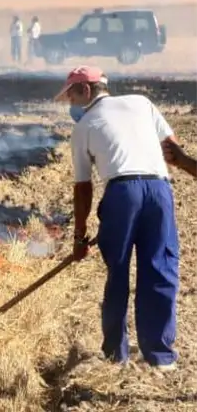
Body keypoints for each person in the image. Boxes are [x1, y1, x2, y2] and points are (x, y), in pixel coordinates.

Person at [57, 65, 180, 370]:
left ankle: (117, 354)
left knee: (118, 273)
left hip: (122, 193)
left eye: (71, 95)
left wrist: (79, 238)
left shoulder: (83, 126)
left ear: (86, 89)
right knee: (160, 268)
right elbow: (173, 151)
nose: (71, 103)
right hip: (159, 190)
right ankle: (160, 356)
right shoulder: (142, 102)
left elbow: (83, 189)